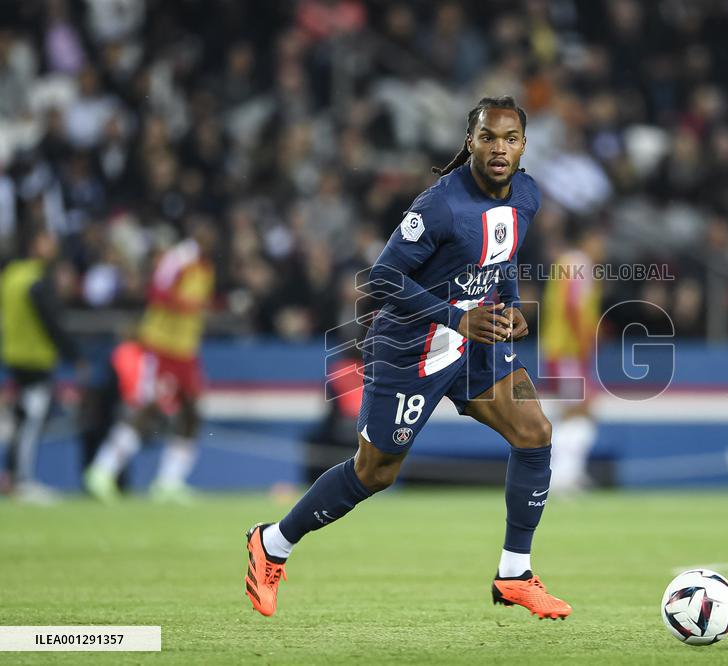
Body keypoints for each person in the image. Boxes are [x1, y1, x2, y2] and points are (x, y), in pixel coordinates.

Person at [244, 96, 572, 620]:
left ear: (524, 146)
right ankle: (273, 543)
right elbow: (382, 277)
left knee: (534, 431)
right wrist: (455, 316)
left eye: (510, 139)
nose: (499, 148)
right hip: (410, 348)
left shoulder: (527, 195)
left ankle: (514, 572)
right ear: (471, 142)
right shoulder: (440, 204)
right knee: (374, 472)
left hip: (474, 341)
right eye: (488, 137)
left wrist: (509, 308)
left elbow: (502, 257)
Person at [84, 222, 216, 503]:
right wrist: (186, 305)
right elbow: (157, 293)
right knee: (148, 408)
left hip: (185, 349)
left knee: (192, 411)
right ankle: (102, 470)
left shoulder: (205, 268)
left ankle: (169, 481)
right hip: (162, 346)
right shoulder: (178, 261)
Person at [0, 226, 81, 503]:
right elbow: (51, 321)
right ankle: (21, 480)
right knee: (30, 421)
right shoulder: (37, 279)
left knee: (22, 418)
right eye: (47, 241)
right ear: (35, 244)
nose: (52, 247)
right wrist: (73, 353)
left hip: (13, 354)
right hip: (35, 357)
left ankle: (12, 477)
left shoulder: (10, 275)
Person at [543, 225, 604, 493]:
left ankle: (567, 473)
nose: (603, 248)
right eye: (599, 241)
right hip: (568, 350)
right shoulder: (579, 264)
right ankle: (563, 476)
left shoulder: (565, 263)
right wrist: (583, 342)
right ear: (588, 239)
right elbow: (572, 306)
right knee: (580, 409)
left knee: (574, 409)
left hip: (559, 347)